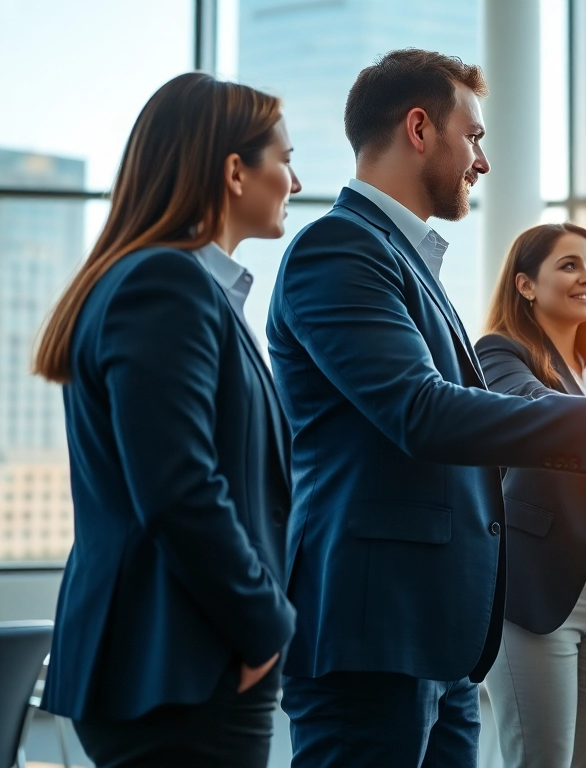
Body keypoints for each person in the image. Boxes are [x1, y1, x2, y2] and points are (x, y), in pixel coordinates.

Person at [267, 49, 586, 768]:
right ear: (420, 129)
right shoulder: (338, 249)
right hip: (377, 628)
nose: (481, 160)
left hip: (438, 631)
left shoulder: (407, 261)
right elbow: (424, 414)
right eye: (475, 136)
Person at [33, 72, 301, 767]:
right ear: (236, 172)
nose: (295, 183)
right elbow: (178, 485)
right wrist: (264, 625)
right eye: (286, 160)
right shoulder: (166, 283)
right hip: (181, 660)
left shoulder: (178, 287)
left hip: (181, 658)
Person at [474, 223, 586, 767]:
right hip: (540, 587)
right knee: (542, 759)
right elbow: (531, 412)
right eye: (570, 265)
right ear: (526, 285)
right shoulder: (501, 354)